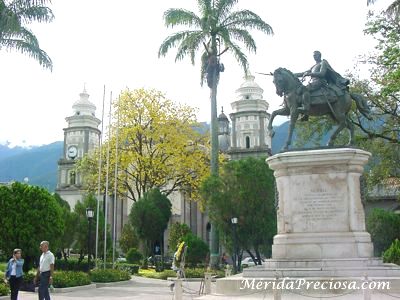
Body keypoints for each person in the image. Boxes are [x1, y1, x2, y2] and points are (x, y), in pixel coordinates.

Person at [295, 50, 350, 119]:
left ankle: (306, 109)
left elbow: (322, 73)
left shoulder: (323, 63)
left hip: (320, 82)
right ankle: (305, 113)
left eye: (315, 55)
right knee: (299, 90)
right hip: (313, 82)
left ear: (319, 55)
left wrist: (310, 74)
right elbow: (304, 73)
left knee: (304, 89)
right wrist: (293, 74)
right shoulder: (313, 66)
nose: (314, 57)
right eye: (313, 56)